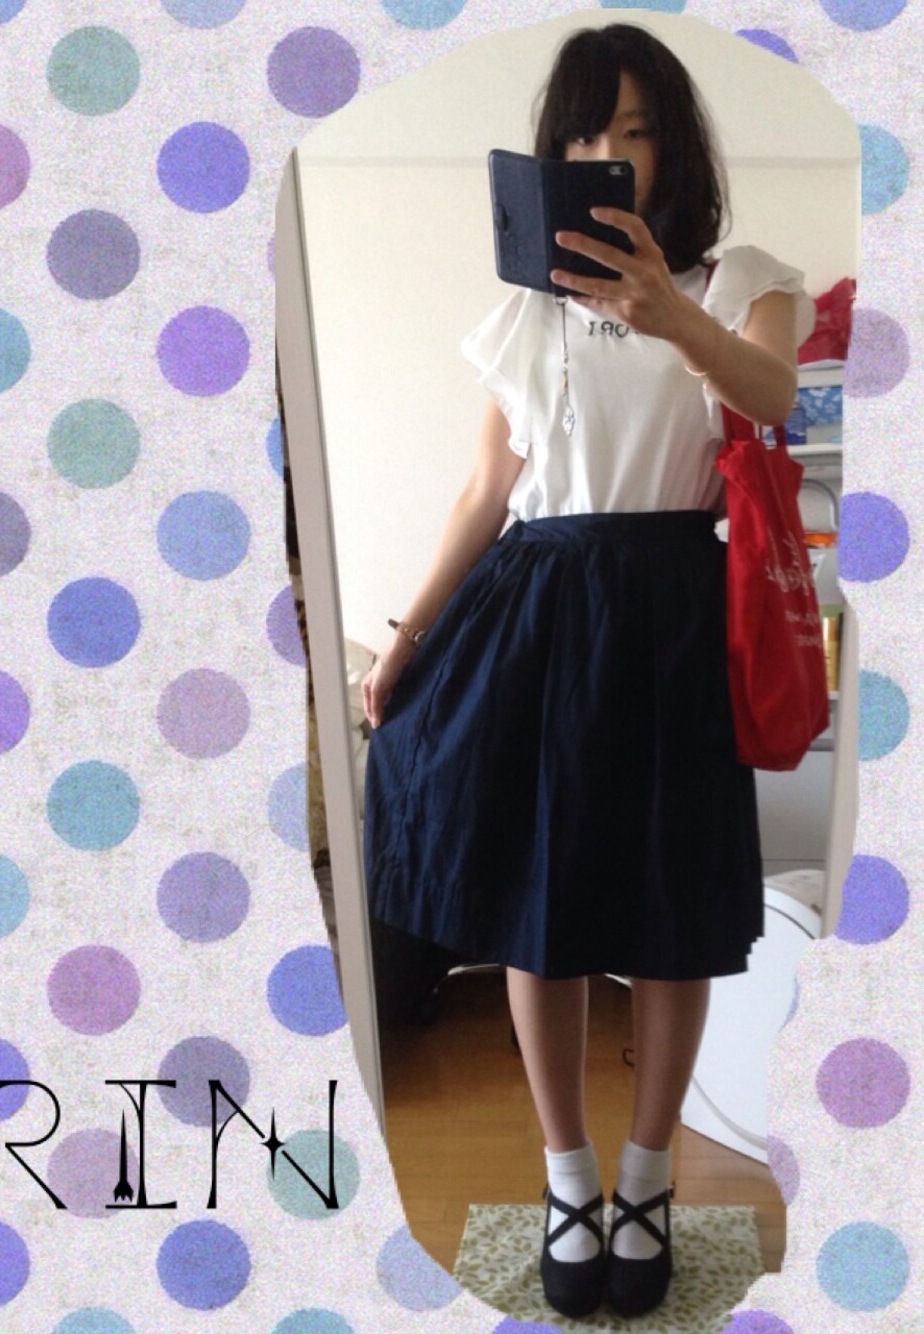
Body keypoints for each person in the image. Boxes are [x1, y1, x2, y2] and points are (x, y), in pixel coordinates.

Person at [361, 23, 811, 1321]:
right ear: (552, 156)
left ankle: (648, 1179)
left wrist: (672, 314)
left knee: (673, 913)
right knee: (538, 908)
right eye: (582, 132)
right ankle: (569, 1181)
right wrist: (407, 635)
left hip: (674, 613)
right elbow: (485, 488)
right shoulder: (531, 309)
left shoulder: (743, 280)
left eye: (635, 129)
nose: (608, 151)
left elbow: (773, 399)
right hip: (540, 614)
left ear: (674, 145)